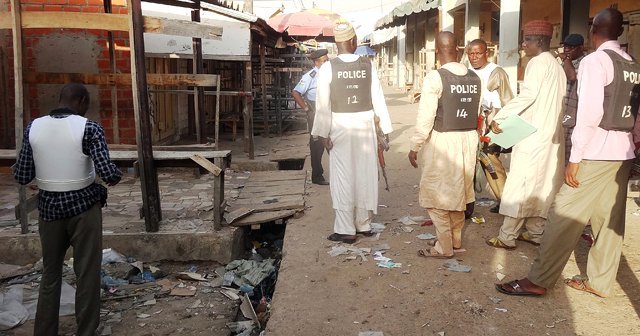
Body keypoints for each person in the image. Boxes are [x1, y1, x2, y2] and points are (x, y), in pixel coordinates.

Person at [496, 8, 640, 298]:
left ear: (594, 29)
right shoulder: (631, 63)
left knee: (563, 217)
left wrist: (575, 160)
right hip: (622, 152)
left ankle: (538, 279)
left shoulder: (594, 61)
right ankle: (600, 282)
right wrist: (634, 142)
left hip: (596, 152)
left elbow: (589, 113)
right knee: (608, 221)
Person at [14, 83, 122, 335]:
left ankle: (44, 330)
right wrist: (115, 175)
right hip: (83, 210)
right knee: (86, 273)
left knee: (50, 274)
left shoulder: (34, 127)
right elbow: (108, 173)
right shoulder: (89, 128)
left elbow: (22, 175)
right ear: (82, 101)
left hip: (49, 210)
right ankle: (85, 330)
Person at [485, 20, 566, 250]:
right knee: (541, 185)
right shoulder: (555, 65)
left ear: (539, 41)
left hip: (534, 135)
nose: (523, 45)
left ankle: (507, 236)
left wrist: (500, 118)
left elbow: (527, 96)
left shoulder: (538, 63)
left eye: (527, 40)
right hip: (551, 136)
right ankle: (535, 232)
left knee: (521, 184)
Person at [312, 21, 393, 244]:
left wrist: (322, 133)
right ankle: (364, 224)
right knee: (365, 173)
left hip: (340, 127)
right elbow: (379, 99)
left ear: (338, 44)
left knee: (343, 177)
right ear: (353, 41)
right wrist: (385, 128)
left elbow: (323, 105)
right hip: (365, 125)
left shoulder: (328, 67)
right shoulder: (367, 65)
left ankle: (346, 229)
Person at [408, 31, 481, 258]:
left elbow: (426, 118)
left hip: (443, 142)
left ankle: (444, 247)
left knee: (437, 195)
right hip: (468, 140)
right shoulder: (474, 77)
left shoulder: (435, 77)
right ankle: (455, 239)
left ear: (437, 51)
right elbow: (476, 113)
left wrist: (415, 146)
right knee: (459, 194)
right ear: (458, 48)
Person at [466, 38, 514, 213]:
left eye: (478, 53)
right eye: (471, 53)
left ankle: (506, 201)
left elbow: (508, 100)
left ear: (486, 53)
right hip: (470, 125)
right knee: (468, 164)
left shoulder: (496, 72)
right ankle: (467, 206)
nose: (474, 57)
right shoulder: (465, 72)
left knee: (490, 161)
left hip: (491, 124)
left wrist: (499, 121)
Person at [292, 49, 330, 185]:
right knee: (317, 145)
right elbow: (296, 92)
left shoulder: (330, 73)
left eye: (328, 60)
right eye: (325, 61)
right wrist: (307, 109)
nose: (327, 62)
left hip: (329, 111)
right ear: (316, 62)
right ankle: (317, 176)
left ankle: (340, 174)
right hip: (315, 112)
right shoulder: (311, 76)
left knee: (334, 142)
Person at [559, 33, 586, 165]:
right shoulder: (564, 62)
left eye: (571, 47)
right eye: (565, 46)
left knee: (569, 149)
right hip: (562, 110)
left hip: (575, 113)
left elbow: (572, 77)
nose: (567, 49)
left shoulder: (585, 62)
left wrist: (566, 60)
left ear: (581, 47)